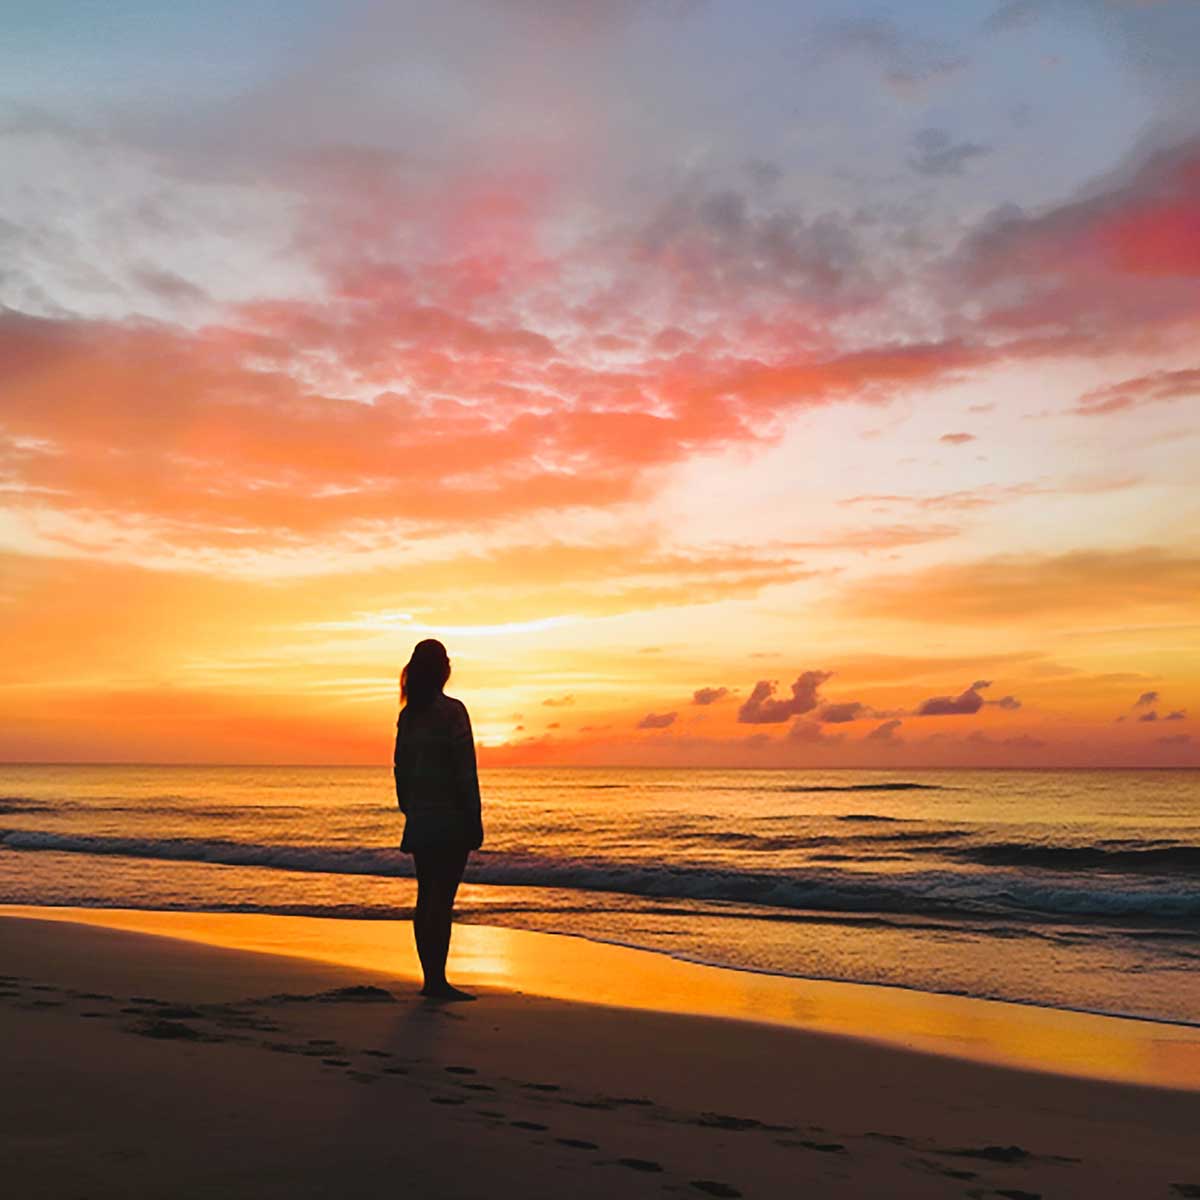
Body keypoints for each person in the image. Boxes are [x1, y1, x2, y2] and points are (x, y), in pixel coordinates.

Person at [393, 638, 483, 1001]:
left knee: (426, 896)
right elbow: (465, 770)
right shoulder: (453, 712)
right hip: (450, 818)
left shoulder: (408, 715)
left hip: (421, 817)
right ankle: (436, 981)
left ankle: (430, 978)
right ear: (441, 669)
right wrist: (474, 817)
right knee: (441, 900)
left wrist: (409, 807)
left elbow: (400, 767)